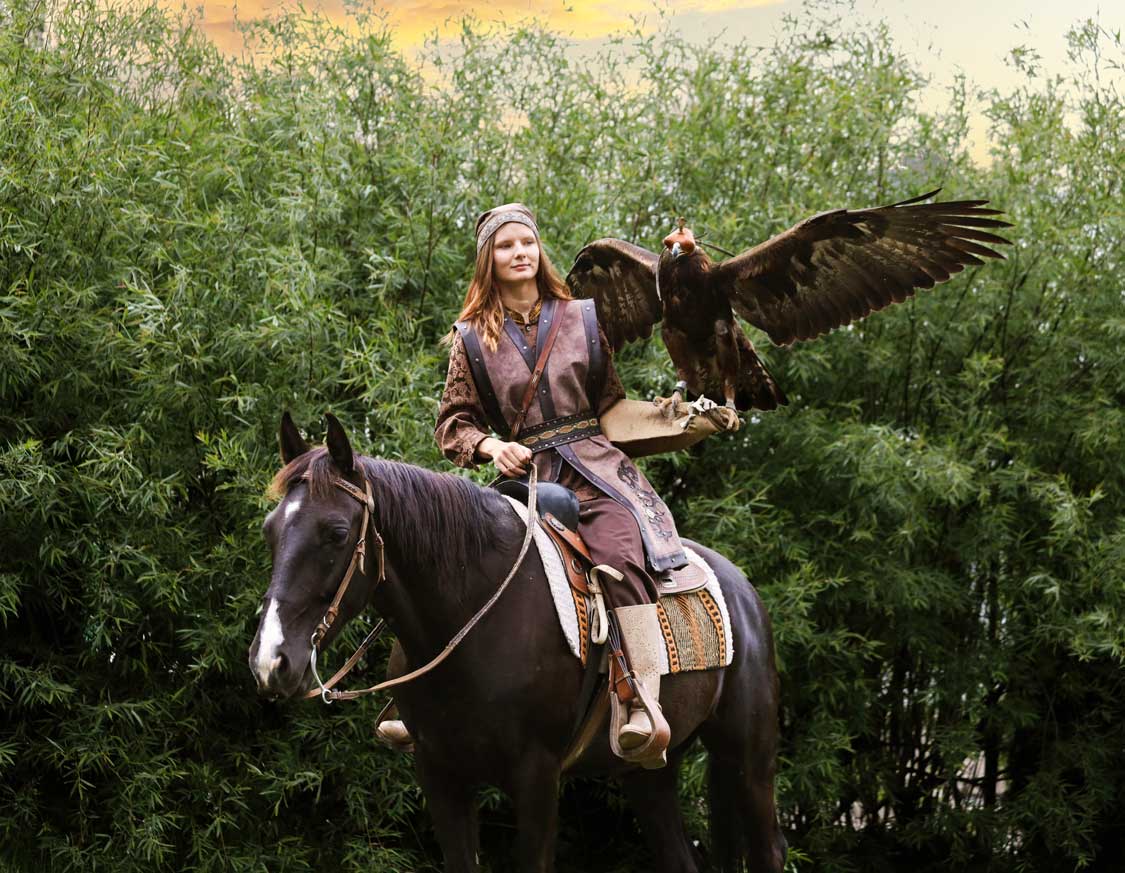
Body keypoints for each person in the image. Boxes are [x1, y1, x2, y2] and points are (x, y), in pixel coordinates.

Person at [381, 203, 689, 762]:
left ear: (538, 249)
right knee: (446, 559)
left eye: (526, 242)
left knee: (621, 560)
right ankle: (414, 702)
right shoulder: (470, 338)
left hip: (597, 473)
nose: (518, 252)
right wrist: (491, 446)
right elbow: (454, 422)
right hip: (525, 479)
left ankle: (639, 701)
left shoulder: (584, 319)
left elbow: (611, 406)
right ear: (488, 260)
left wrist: (677, 419)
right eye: (505, 246)